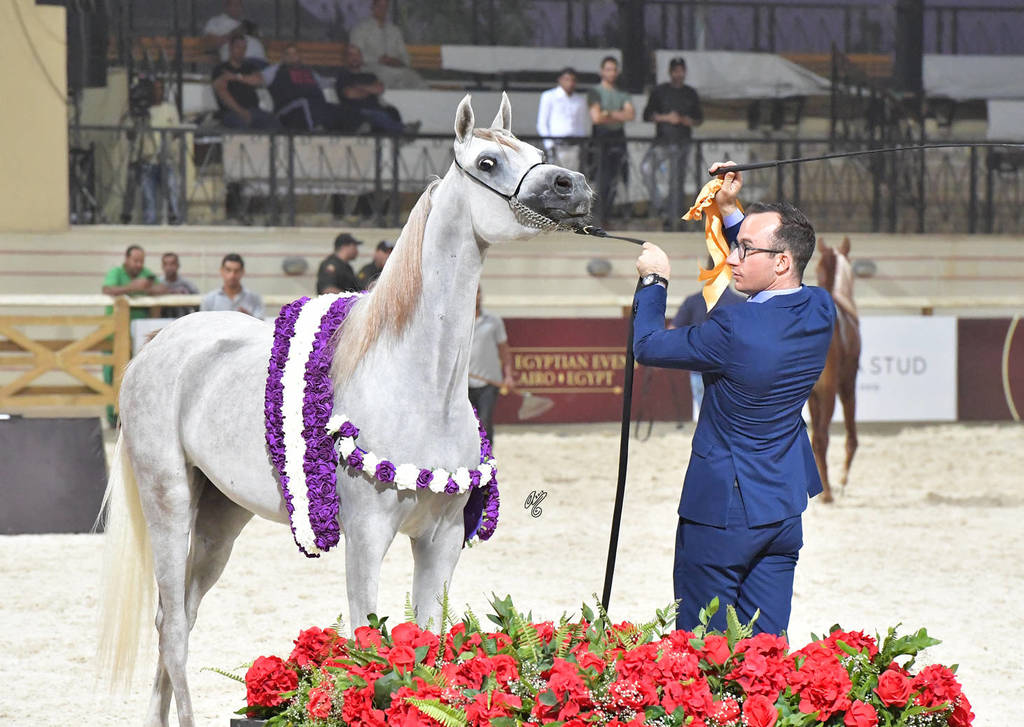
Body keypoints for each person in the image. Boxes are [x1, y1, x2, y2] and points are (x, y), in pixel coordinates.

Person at [632, 162, 835, 636]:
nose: (734, 259)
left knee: (705, 647)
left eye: (745, 250)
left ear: (781, 261)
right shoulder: (820, 307)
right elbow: (765, 253)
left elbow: (646, 347)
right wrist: (728, 211)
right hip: (783, 506)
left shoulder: (731, 329)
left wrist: (654, 281)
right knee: (764, 652)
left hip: (723, 511)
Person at [669, 266, 745, 421]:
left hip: (700, 366)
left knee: (707, 417)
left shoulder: (692, 301)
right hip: (734, 370)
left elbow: (672, 332)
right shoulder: (742, 302)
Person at [101, 245, 167, 424]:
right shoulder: (116, 272)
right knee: (111, 375)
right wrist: (133, 287)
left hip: (139, 334)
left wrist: (146, 289)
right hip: (114, 333)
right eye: (135, 260)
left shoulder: (146, 273)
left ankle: (132, 418)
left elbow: (161, 289)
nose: (138, 265)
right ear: (127, 259)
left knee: (137, 376)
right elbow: (107, 290)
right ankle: (113, 417)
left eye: (141, 261)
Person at [642, 57, 703, 225]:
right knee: (646, 169)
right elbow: (647, 115)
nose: (678, 74)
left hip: (682, 141)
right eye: (675, 71)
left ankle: (674, 216)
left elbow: (698, 119)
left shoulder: (690, 93)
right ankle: (660, 205)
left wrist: (683, 120)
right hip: (661, 141)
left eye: (681, 71)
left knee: (676, 181)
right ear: (670, 72)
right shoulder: (660, 91)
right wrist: (666, 118)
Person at [262, 45, 357, 132]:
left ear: (300, 56)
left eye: (295, 53)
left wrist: (352, 83)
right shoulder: (275, 70)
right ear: (283, 57)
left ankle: (360, 129)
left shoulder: (310, 72)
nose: (292, 56)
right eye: (288, 54)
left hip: (313, 105)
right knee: (307, 102)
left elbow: (328, 83)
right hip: (287, 111)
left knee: (339, 109)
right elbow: (259, 79)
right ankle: (315, 131)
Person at [587, 56, 635, 226]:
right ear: (602, 71)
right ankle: (599, 216)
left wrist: (608, 113)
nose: (611, 73)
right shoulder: (595, 92)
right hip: (601, 140)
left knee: (617, 180)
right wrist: (617, 115)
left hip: (618, 139)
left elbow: (630, 114)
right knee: (601, 180)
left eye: (614, 69)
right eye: (608, 69)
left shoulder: (623, 93)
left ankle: (608, 216)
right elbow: (596, 118)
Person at [334, 44, 417, 135]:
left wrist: (359, 87)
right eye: (351, 54)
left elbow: (379, 89)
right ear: (346, 58)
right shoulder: (342, 76)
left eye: (357, 55)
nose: (355, 57)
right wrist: (369, 89)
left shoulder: (371, 75)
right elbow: (350, 93)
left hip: (376, 109)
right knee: (377, 115)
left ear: (361, 57)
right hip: (356, 112)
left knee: (391, 111)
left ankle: (400, 134)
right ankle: (403, 130)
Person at [468, 288, 515, 446]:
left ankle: (486, 456)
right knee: (468, 424)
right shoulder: (458, 321)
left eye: (479, 292)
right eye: (473, 292)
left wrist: (508, 376)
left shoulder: (494, 321)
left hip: (490, 383)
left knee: (485, 420)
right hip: (464, 384)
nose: (477, 296)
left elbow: (504, 350)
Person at [134, 79, 182, 225]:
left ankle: (176, 221)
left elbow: (176, 133)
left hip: (166, 160)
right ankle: (150, 226)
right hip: (148, 161)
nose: (158, 92)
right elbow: (135, 136)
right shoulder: (142, 111)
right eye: (155, 88)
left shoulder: (170, 109)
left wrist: (170, 150)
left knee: (173, 193)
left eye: (161, 88)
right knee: (149, 200)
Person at [348, 0, 426, 89]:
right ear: (372, 7)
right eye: (379, 6)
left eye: (385, 7)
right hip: (370, 69)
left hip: (397, 69)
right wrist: (379, 60)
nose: (382, 9)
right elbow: (354, 56)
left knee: (414, 78)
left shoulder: (395, 31)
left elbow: (406, 58)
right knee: (396, 76)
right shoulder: (360, 29)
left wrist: (395, 61)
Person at [212, 34, 281, 130]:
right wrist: (241, 111)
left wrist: (235, 77)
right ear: (230, 48)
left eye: (244, 48)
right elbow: (222, 92)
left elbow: (258, 80)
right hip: (232, 112)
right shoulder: (221, 69)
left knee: (274, 124)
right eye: (238, 47)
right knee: (241, 126)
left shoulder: (250, 67)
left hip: (254, 110)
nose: (241, 51)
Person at [536, 67, 589, 171]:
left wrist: (582, 144)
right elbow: (542, 123)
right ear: (560, 80)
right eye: (567, 79)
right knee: (556, 177)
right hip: (557, 145)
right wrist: (549, 145)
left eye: (573, 80)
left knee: (573, 176)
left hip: (574, 145)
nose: (570, 83)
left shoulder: (579, 100)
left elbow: (581, 123)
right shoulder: (549, 96)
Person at [200, 253, 264, 318]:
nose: (232, 275)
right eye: (228, 270)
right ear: (221, 271)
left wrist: (249, 318)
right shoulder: (209, 300)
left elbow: (261, 324)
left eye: (236, 271)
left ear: (242, 272)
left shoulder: (254, 299)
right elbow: (204, 325)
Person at [202, 0, 266, 63]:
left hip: (260, 61)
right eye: (233, 5)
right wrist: (234, 33)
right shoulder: (216, 21)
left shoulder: (247, 24)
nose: (237, 8)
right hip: (239, 64)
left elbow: (265, 44)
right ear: (226, 7)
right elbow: (208, 44)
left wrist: (257, 36)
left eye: (239, 5)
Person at [158, 252, 200, 318]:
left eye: (172, 264)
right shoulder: (158, 284)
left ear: (178, 265)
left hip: (183, 322)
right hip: (163, 323)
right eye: (165, 264)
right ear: (162, 266)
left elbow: (198, 304)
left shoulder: (187, 284)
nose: (169, 267)